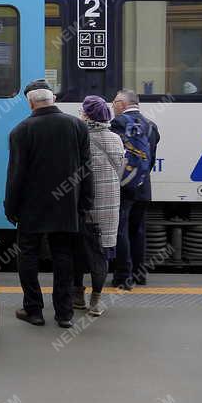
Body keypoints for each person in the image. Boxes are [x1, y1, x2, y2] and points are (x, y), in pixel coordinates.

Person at [4, 79, 93, 329]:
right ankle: (64, 314)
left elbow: (16, 176)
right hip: (67, 206)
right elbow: (87, 169)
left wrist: (11, 208)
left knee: (28, 256)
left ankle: (34, 310)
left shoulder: (21, 131)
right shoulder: (77, 126)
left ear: (31, 102)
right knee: (63, 256)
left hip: (32, 208)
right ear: (53, 98)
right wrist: (85, 202)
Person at [72, 97, 125, 318]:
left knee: (78, 252)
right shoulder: (116, 139)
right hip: (109, 204)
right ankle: (96, 299)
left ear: (87, 115)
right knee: (100, 253)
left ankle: (77, 295)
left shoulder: (79, 137)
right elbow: (120, 172)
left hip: (83, 203)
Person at [110, 89, 161, 290]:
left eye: (114, 102)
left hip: (123, 186)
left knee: (121, 230)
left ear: (122, 104)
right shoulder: (151, 126)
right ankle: (139, 274)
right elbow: (151, 158)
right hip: (143, 186)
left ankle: (123, 276)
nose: (112, 105)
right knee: (138, 230)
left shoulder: (117, 124)